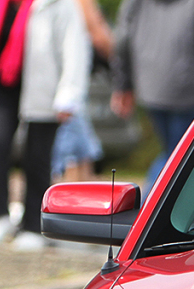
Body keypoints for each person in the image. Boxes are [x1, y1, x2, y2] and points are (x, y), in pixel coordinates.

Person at [0, 0, 91, 250]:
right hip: (2, 87)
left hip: (44, 91)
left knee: (37, 157)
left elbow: (74, 49)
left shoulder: (58, 5)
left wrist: (69, 94)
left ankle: (33, 225)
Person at [111, 0, 194, 195]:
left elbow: (123, 36)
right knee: (182, 157)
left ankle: (151, 207)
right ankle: (148, 211)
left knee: (173, 151)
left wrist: (124, 83)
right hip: (193, 87)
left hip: (151, 86)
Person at [51, 0, 111, 182]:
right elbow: (99, 36)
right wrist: (119, 58)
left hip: (53, 86)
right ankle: (70, 206)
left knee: (78, 150)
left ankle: (75, 203)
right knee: (74, 154)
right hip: (69, 89)